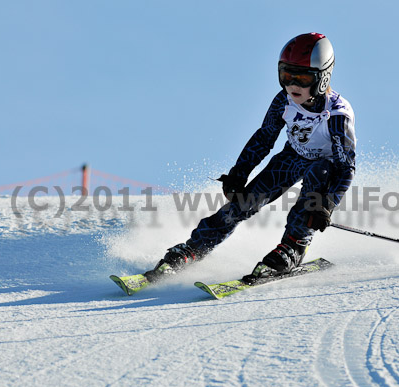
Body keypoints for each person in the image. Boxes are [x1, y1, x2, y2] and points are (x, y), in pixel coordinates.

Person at [144, 32, 356, 284]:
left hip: (326, 168)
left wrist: (327, 204)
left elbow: (346, 167)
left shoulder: (337, 114)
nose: (293, 85)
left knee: (317, 175)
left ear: (322, 79)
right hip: (293, 156)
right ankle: (194, 248)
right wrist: (239, 173)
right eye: (286, 75)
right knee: (244, 203)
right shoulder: (283, 101)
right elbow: (264, 137)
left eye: (302, 77)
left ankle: (293, 246)